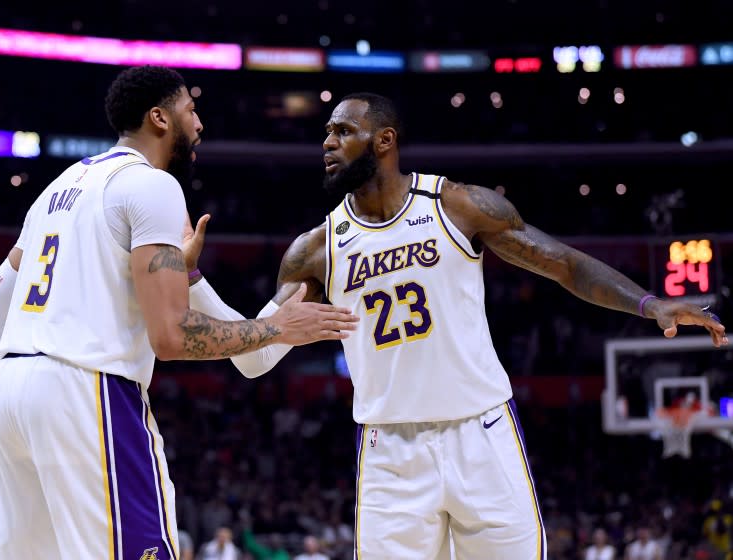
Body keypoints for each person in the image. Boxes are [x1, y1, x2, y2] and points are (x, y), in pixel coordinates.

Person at [195, 92, 726, 559]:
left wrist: (649, 304)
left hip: (482, 435)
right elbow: (253, 357)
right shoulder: (315, 251)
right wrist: (192, 277)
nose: (327, 143)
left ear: (384, 140)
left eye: (342, 131)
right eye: (326, 133)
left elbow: (564, 263)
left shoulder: (457, 206)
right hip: (391, 454)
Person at [0, 65, 357, 559]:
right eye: (191, 110)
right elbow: (170, 338)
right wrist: (278, 326)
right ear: (159, 118)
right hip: (85, 388)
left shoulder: (56, 190)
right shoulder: (152, 186)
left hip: (7, 396)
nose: (199, 125)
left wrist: (30, 388)